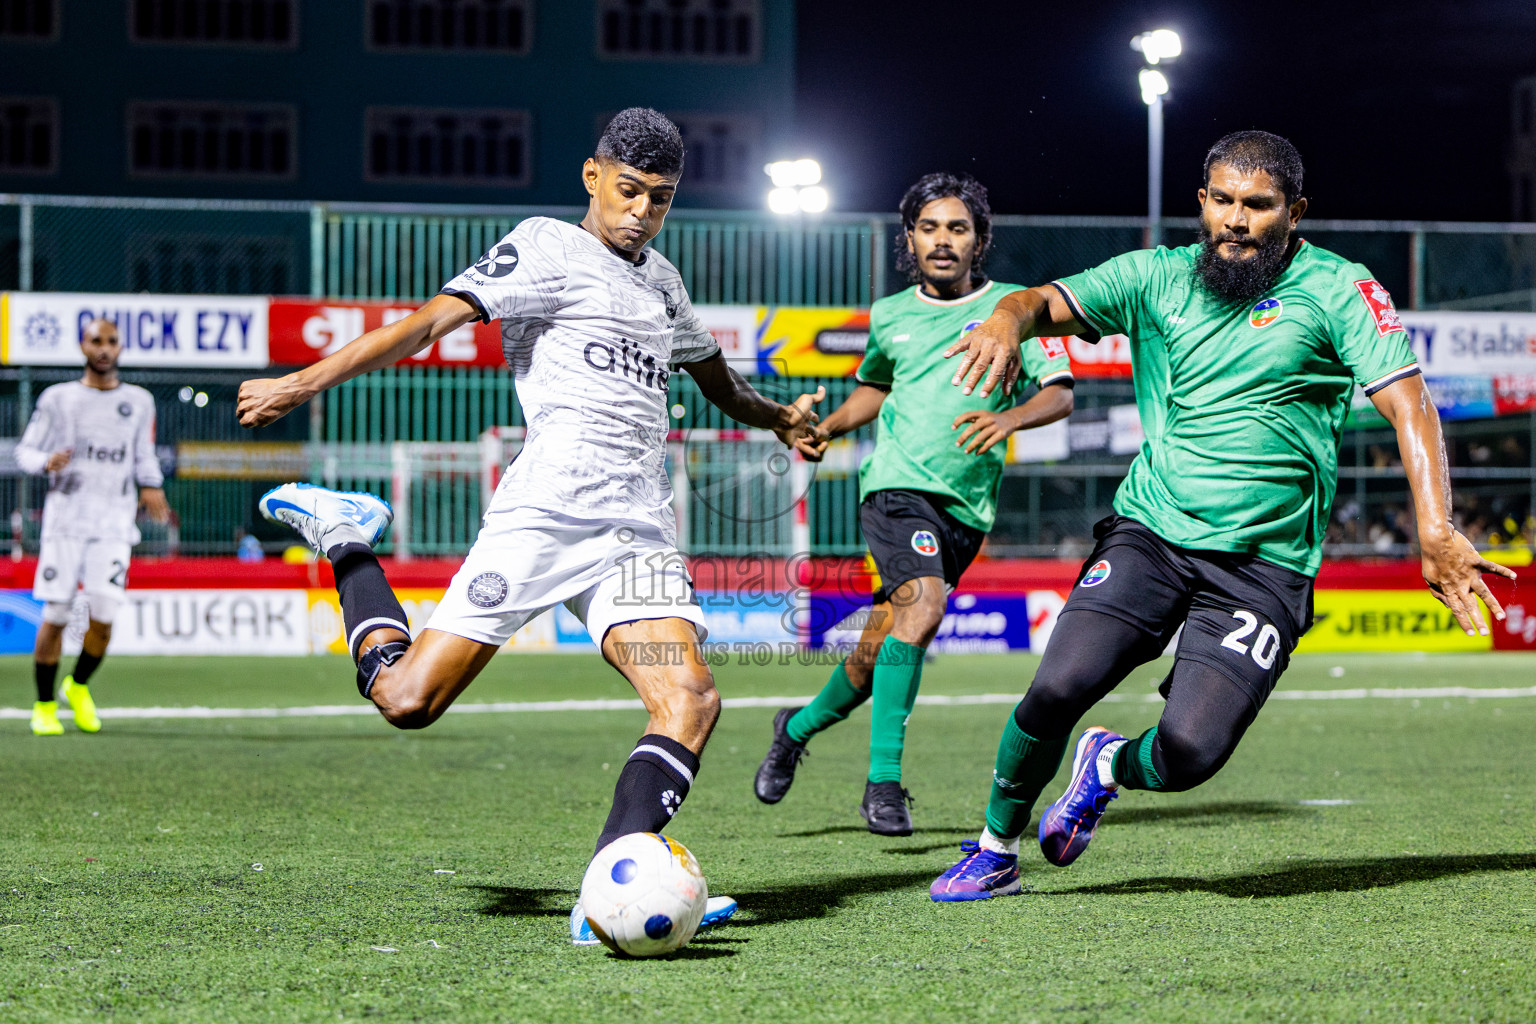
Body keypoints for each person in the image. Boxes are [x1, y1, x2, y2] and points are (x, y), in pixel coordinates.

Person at [236, 108, 822, 942]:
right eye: (628, 192)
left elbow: (716, 379)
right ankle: (347, 537)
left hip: (636, 532)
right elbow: (430, 321)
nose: (641, 213)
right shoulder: (547, 247)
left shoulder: (663, 284)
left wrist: (775, 419)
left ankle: (610, 887)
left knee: (689, 698)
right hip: (544, 513)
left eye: (659, 200)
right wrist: (306, 382)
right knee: (407, 699)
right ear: (593, 176)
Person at [929, 131, 1515, 900]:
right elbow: (1040, 301)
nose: (1238, 220)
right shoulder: (1153, 277)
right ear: (1202, 202)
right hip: (1152, 534)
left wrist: (1435, 528)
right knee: (1058, 686)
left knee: (1191, 753)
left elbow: (1410, 404)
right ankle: (995, 847)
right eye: (1225, 201)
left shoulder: (1340, 288)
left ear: (1294, 212)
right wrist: (1009, 318)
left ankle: (1107, 763)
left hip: (1265, 567)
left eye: (1259, 206)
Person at [753, 173, 1074, 835]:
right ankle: (884, 784)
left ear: (980, 239)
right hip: (896, 489)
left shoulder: (1014, 312)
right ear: (910, 240)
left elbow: (1060, 394)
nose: (943, 240)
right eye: (929, 228)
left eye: (958, 228)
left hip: (966, 510)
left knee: (878, 652)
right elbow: (875, 387)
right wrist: (830, 428)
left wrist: (1011, 422)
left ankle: (796, 727)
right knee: (922, 610)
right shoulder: (891, 314)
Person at [18, 319, 171, 736]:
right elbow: (25, 451)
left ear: (120, 348)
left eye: (111, 342)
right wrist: (44, 462)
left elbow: (143, 453)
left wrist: (152, 485)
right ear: (82, 346)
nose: (104, 349)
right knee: (56, 613)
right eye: (96, 341)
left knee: (103, 616)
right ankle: (44, 705)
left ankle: (78, 684)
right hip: (65, 523)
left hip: (114, 525)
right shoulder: (58, 398)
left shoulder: (138, 401)